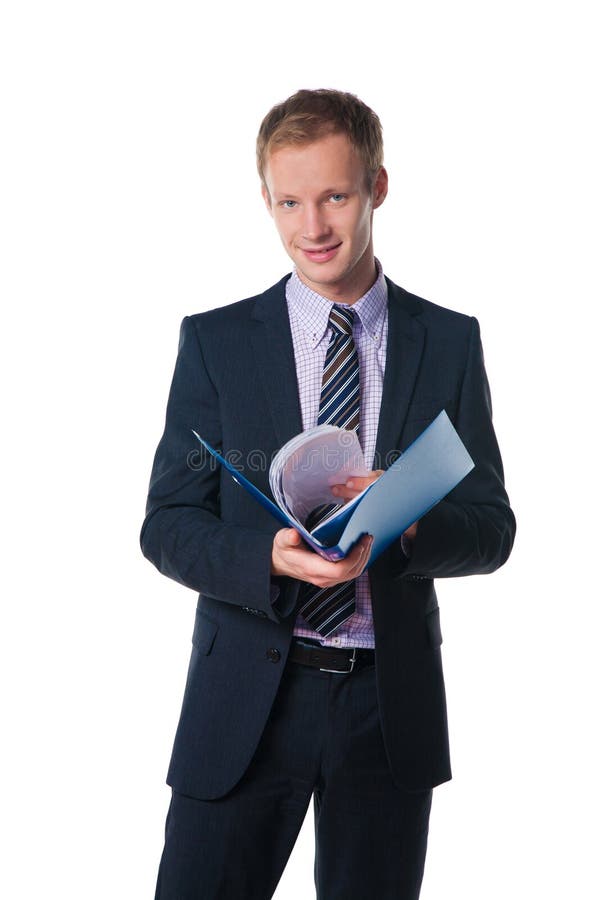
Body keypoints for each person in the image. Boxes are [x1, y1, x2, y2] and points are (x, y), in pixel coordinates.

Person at [140, 88, 516, 900]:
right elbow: (168, 523)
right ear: (267, 201)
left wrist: (409, 524)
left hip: (386, 713)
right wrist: (261, 557)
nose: (312, 227)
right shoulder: (216, 341)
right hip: (247, 701)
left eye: (336, 196)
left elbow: (491, 528)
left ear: (378, 187)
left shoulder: (448, 342)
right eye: (290, 202)